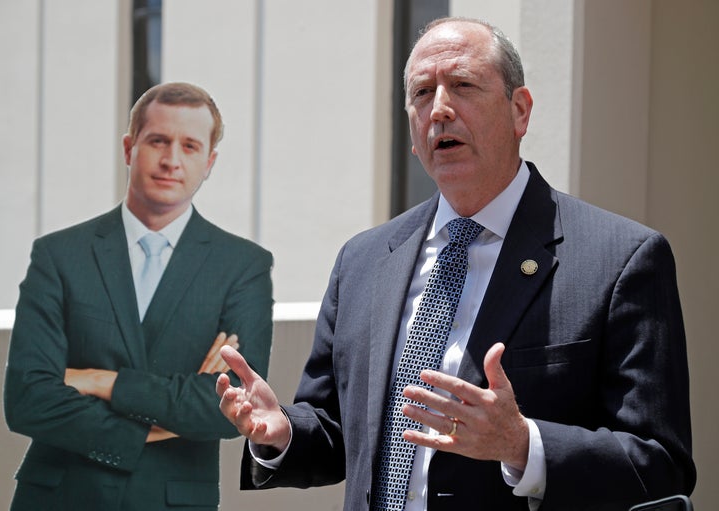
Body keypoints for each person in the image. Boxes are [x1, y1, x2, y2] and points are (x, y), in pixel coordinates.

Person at [216, 17, 695, 510]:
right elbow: (339, 433)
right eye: (423, 93)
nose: (440, 109)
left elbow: (660, 465)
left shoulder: (620, 260)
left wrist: (522, 445)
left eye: (463, 85)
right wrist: (281, 434)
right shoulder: (362, 262)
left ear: (520, 111)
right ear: (411, 130)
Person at [4, 82, 273, 511]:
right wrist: (161, 420)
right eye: (158, 141)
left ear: (210, 162)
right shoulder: (59, 256)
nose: (171, 160)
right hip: (58, 498)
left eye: (189, 146)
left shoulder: (243, 267)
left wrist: (101, 381)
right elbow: (27, 400)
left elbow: (227, 407)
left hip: (171, 502)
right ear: (129, 148)